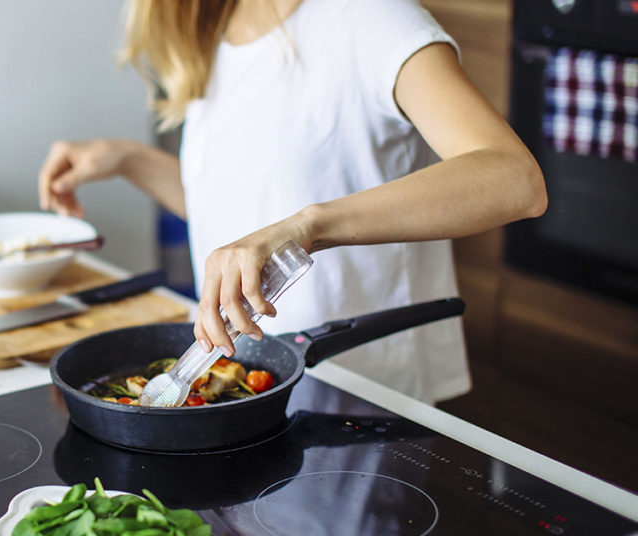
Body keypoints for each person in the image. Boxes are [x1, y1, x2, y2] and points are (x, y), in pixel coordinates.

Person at [37, 0, 547, 404]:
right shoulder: (215, 30)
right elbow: (242, 214)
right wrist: (128, 160)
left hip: (357, 391)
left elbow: (514, 180)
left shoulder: (372, 18)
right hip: (244, 386)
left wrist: (309, 227)